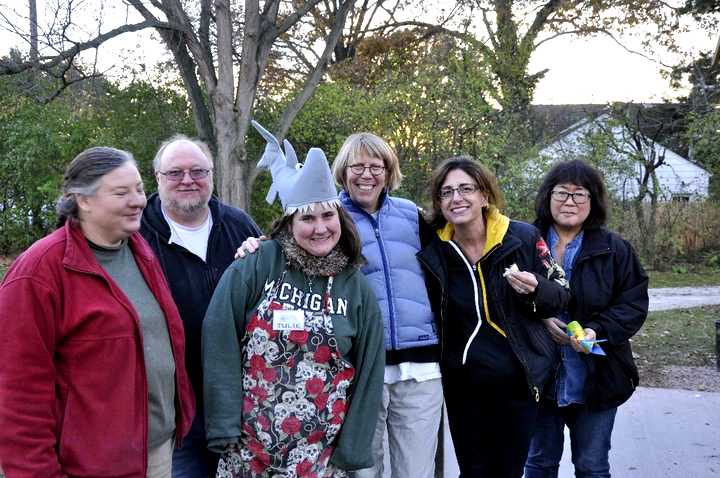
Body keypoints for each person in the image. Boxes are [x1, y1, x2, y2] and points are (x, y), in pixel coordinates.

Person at [238, 131, 443, 478]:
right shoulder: (330, 216)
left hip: (420, 367)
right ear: (343, 172)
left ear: (388, 171)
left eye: (376, 166)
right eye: (357, 166)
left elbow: (446, 266)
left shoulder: (412, 215)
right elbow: (289, 245)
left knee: (416, 470)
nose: (367, 175)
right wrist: (254, 246)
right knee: (363, 467)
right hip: (361, 366)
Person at [0, 147, 194, 477]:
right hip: (89, 465)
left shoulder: (139, 251)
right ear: (83, 200)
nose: (138, 201)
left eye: (138, 189)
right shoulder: (38, 273)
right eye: (121, 192)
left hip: (158, 452)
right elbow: (17, 393)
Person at [202, 126, 384, 477]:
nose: (320, 228)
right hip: (248, 451)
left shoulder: (355, 287)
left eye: (327, 216)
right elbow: (219, 336)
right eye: (307, 218)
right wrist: (223, 427)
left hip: (321, 458)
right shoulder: (257, 265)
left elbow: (370, 370)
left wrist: (351, 449)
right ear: (289, 223)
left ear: (340, 219)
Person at [416, 155, 570, 478]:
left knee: (508, 471)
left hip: (518, 381)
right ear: (439, 202)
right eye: (447, 192)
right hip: (463, 385)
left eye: (466, 189)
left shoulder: (522, 238)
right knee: (474, 471)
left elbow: (560, 292)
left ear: (484, 196)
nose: (456, 198)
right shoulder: (436, 250)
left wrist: (536, 289)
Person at [140, 135, 261, 477]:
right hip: (174, 406)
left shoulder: (239, 226)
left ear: (212, 175)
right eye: (175, 173)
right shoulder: (137, 236)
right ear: (157, 178)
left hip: (239, 398)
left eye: (198, 171)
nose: (187, 180)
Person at [524, 159, 649, 478]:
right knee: (538, 464)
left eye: (579, 194)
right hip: (537, 378)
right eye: (561, 193)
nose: (569, 201)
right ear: (547, 197)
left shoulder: (614, 249)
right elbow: (501, 300)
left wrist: (596, 330)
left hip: (595, 377)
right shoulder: (524, 243)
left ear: (593, 201)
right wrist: (540, 319)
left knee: (592, 467)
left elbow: (632, 304)